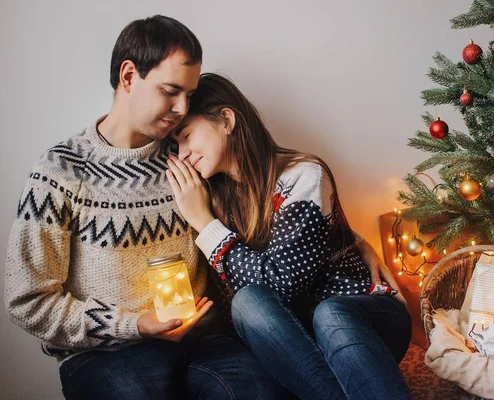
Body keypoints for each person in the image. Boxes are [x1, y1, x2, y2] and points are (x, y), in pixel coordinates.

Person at [4, 15, 288, 400]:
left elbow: (267, 199)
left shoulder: (188, 154)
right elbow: (27, 300)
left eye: (188, 94)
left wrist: (346, 239)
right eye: (171, 90)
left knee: (259, 391)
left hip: (205, 341)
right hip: (107, 354)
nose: (182, 107)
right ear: (127, 76)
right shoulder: (61, 171)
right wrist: (134, 324)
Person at [166, 73, 413, 400]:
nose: (182, 153)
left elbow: (281, 283)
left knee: (330, 312)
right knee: (248, 303)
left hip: (364, 322)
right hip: (296, 349)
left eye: (187, 135)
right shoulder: (211, 198)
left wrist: (204, 222)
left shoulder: (305, 175)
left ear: (226, 120)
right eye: (176, 145)